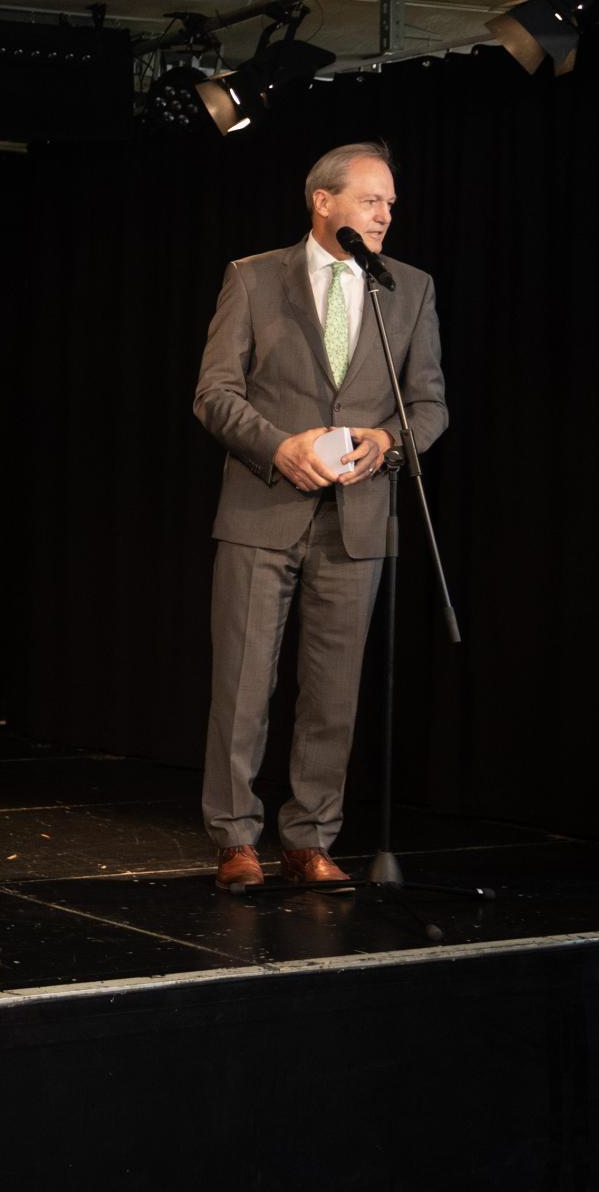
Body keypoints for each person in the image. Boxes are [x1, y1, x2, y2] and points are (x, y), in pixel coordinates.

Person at [191, 140, 446, 889]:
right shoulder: (253, 277)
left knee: (334, 689)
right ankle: (236, 838)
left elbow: (429, 404)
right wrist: (281, 445)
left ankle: (310, 837)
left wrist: (387, 442)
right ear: (323, 201)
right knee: (242, 684)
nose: (385, 215)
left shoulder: (409, 288)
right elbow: (214, 394)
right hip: (261, 507)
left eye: (390, 205)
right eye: (372, 200)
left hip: (359, 515)